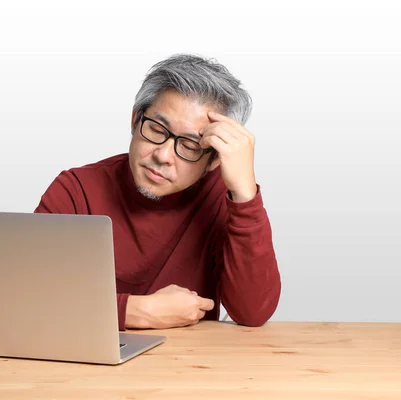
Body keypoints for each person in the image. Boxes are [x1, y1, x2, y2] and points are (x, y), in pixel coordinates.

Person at [34, 54, 281, 331]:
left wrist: (245, 193)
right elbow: (25, 297)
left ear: (214, 160)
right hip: (84, 364)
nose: (163, 155)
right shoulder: (76, 190)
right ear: (134, 120)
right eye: (156, 129)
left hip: (191, 366)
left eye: (189, 145)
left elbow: (252, 313)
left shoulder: (222, 200)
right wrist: (134, 311)